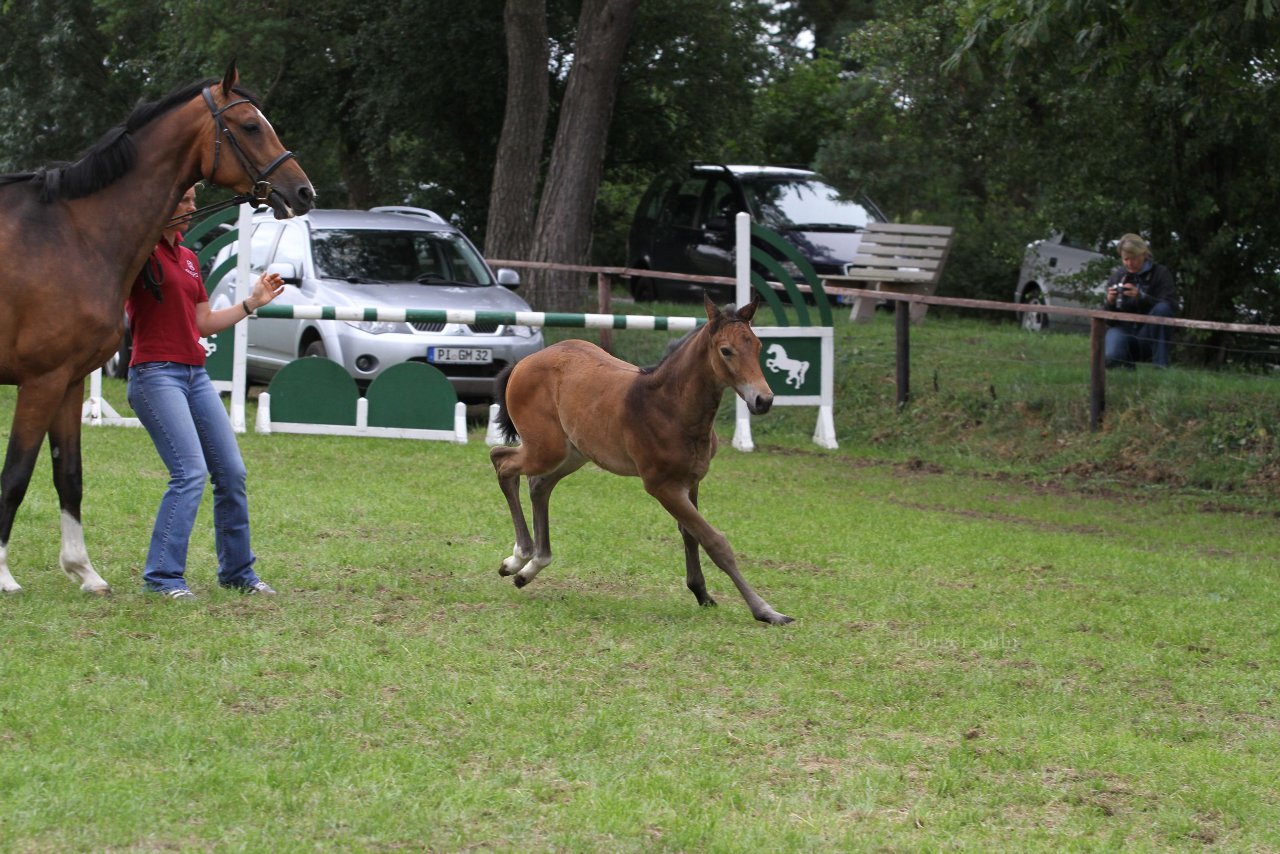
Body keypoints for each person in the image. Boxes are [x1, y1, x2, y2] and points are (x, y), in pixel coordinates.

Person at [126, 185, 286, 599]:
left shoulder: (189, 259)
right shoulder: (137, 252)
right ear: (163, 203)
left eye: (195, 200)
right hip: (155, 374)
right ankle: (163, 578)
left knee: (231, 472)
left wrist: (252, 302)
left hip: (194, 375)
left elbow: (202, 322)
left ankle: (237, 573)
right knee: (190, 472)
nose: (193, 207)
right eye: (185, 200)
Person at [1103, 233, 1178, 368]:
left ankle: (1161, 366)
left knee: (1162, 308)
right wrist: (1110, 302)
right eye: (1125, 259)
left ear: (1144, 254)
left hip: (1148, 332)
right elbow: (1109, 321)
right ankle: (1126, 368)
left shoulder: (1161, 273)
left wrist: (1142, 297)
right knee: (1111, 357)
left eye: (1134, 259)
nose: (1130, 263)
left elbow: (1171, 306)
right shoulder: (1118, 276)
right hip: (1123, 330)